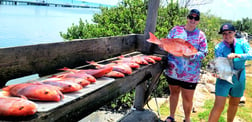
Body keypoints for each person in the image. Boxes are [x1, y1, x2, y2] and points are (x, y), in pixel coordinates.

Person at [159, 9, 208, 122]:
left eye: (196, 18)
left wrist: (191, 56)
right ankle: (171, 116)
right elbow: (167, 42)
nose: (193, 20)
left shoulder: (201, 35)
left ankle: (187, 119)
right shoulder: (175, 30)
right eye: (191, 17)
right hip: (173, 71)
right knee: (173, 94)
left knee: (187, 98)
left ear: (198, 21)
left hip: (190, 75)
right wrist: (163, 45)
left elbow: (204, 52)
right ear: (187, 18)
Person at [208, 23, 252, 122]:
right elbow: (218, 63)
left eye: (230, 32)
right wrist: (215, 72)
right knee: (218, 106)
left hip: (240, 78)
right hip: (224, 79)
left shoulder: (242, 43)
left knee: (234, 104)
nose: (227, 35)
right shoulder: (219, 47)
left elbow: (251, 54)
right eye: (224, 34)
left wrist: (238, 55)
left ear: (234, 33)